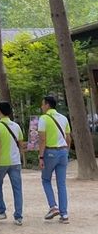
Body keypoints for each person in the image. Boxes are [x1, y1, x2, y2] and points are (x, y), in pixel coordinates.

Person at [38, 95, 71, 223]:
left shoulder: (44, 118)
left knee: (46, 180)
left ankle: (53, 207)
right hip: (63, 151)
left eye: (42, 104)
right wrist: (66, 151)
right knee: (61, 184)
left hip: (50, 152)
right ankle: (64, 214)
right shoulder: (63, 118)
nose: (41, 107)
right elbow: (68, 138)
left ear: (47, 105)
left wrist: (41, 156)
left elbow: (42, 139)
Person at [0, 101, 24, 225]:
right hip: (15, 162)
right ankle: (18, 216)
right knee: (17, 189)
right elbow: (21, 144)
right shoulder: (16, 126)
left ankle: (1, 211)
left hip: (2, 162)